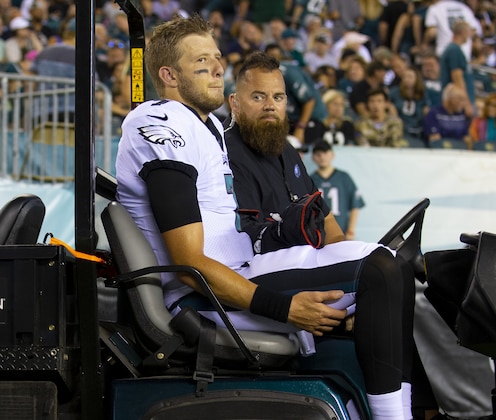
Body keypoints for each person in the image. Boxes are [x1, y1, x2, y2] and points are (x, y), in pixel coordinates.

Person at [114, 16, 425, 419]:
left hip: (239, 271)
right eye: (202, 61)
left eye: (218, 58)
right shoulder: (160, 122)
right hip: (202, 296)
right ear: (169, 75)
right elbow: (190, 264)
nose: (218, 69)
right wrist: (284, 308)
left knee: (392, 269)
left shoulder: (201, 126)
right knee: (379, 271)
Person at [223, 50, 431, 418]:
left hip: (304, 267)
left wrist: (355, 291)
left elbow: (330, 229)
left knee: (395, 271)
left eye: (278, 97)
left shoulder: (287, 151)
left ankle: (415, 410)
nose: (270, 106)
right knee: (381, 273)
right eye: (258, 97)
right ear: (235, 104)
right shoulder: (226, 152)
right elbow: (248, 242)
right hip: (254, 275)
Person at [310, 140, 365, 240]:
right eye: (318, 154)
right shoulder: (310, 180)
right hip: (318, 234)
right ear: (313, 157)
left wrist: (351, 230)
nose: (322, 157)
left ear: (332, 155)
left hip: (341, 231)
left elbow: (355, 205)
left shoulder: (343, 177)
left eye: (325, 153)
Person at [439, 20, 474, 118]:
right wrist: (466, 103)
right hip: (458, 102)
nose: (470, 35)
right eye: (469, 32)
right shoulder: (454, 50)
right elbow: (457, 77)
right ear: (463, 32)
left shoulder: (453, 49)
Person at [424, 83, 471, 148]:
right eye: (459, 99)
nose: (462, 103)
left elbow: (466, 138)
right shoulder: (434, 113)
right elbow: (434, 139)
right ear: (448, 99)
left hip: (459, 153)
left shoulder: (461, 115)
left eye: (463, 99)